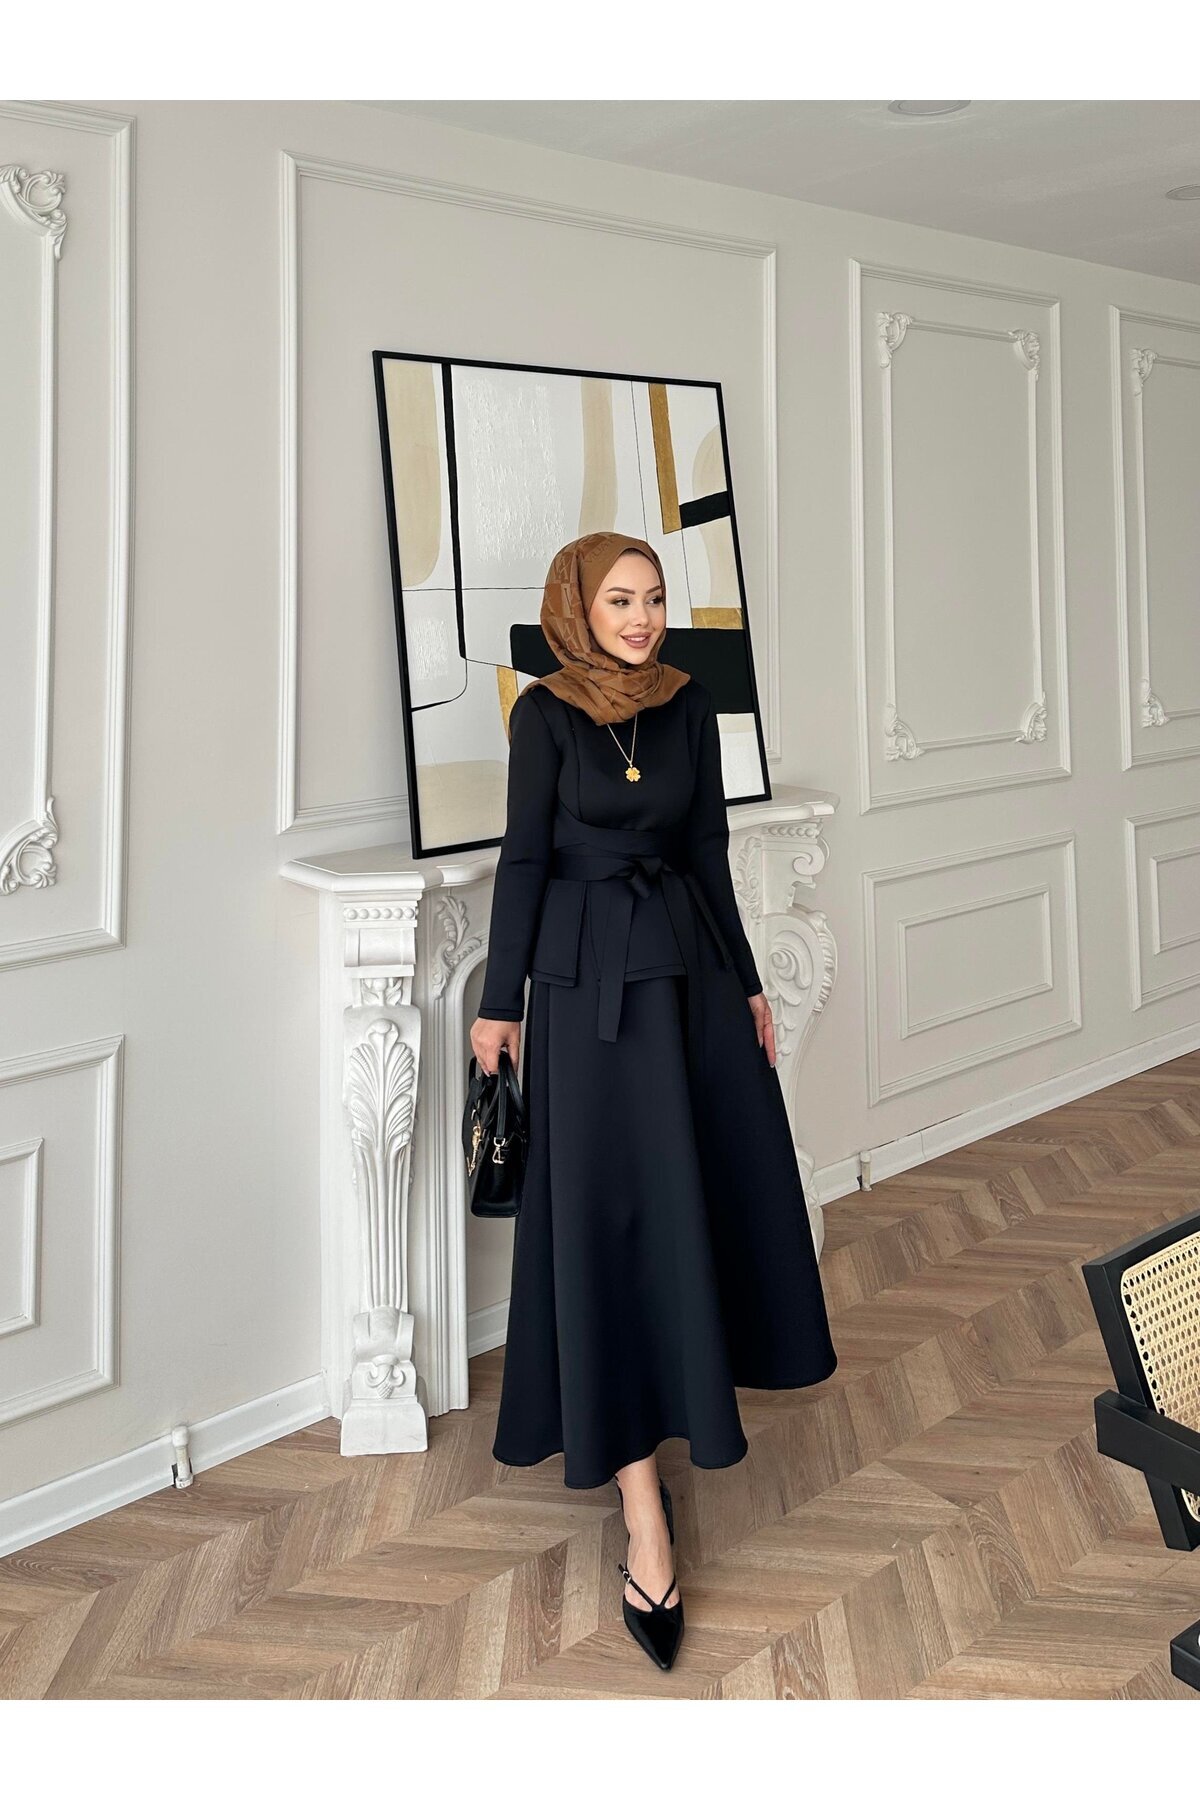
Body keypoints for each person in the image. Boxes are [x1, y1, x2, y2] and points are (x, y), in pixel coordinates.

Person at [470, 531, 838, 1671]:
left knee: (695, 1204)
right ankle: (641, 1508)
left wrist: (749, 983)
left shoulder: (688, 703)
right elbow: (524, 861)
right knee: (604, 1222)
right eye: (620, 600)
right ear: (578, 609)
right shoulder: (543, 716)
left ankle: (689, 1405)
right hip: (584, 994)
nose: (641, 618)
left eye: (655, 597)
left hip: (685, 980)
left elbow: (709, 851)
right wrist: (500, 1004)